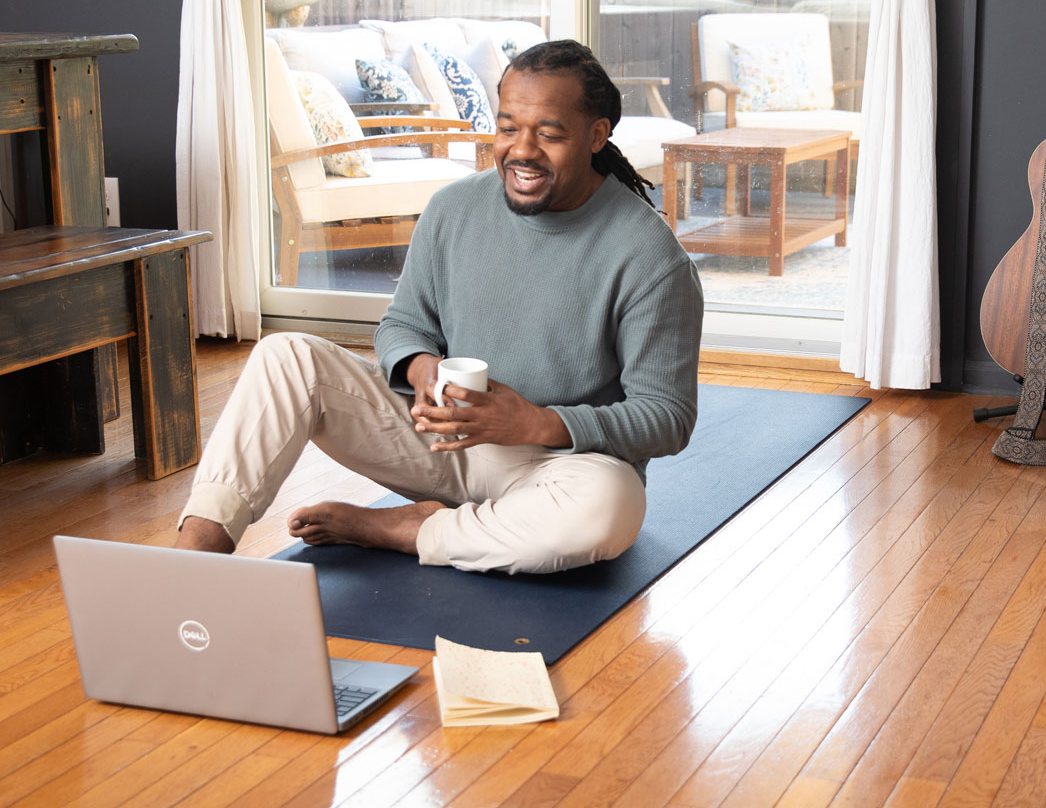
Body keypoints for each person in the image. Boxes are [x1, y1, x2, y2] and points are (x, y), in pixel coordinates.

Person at [171, 40, 705, 574]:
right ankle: (193, 559)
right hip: (440, 440)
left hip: (560, 467)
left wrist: (536, 423)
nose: (522, 150)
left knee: (607, 511)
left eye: (549, 133)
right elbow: (403, 325)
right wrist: (420, 367)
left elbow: (667, 418)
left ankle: (407, 529)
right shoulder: (454, 209)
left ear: (596, 134)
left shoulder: (650, 257)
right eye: (508, 127)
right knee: (285, 355)